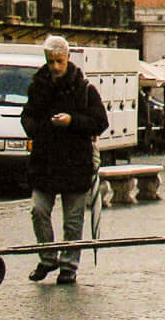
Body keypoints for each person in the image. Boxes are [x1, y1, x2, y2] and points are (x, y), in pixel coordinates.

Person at [21, 35, 108, 285]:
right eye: (51, 62)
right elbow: (26, 117)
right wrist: (39, 128)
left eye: (59, 61)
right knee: (38, 210)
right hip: (45, 160)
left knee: (73, 219)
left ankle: (69, 264)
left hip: (75, 161)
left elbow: (100, 122)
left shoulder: (84, 89)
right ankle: (48, 257)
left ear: (68, 58)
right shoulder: (37, 86)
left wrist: (72, 121)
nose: (55, 67)